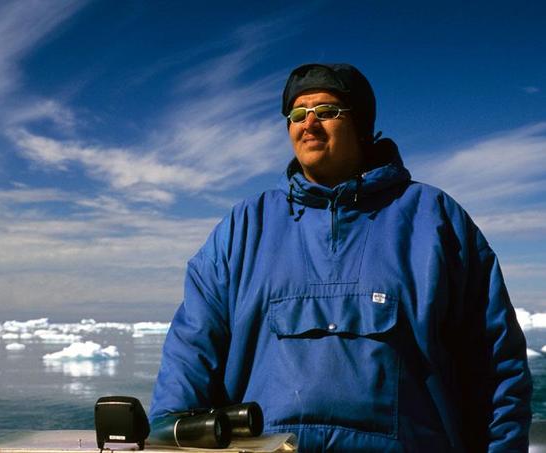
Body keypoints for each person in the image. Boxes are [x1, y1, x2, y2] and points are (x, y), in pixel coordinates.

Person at [149, 63, 532, 452]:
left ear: (362, 125)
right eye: (297, 114)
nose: (309, 124)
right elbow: (191, 351)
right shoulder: (244, 228)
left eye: (327, 112)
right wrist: (168, 436)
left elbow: (496, 364)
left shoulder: (433, 218)